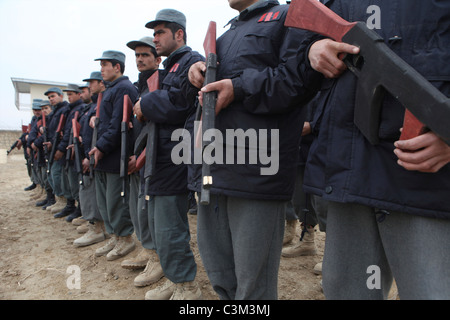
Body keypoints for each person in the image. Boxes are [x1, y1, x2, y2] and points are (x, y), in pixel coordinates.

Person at [303, 0, 450, 299]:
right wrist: (312, 51)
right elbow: (295, 59)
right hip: (349, 174)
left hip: (425, 183)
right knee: (346, 291)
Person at [185, 0, 322, 299]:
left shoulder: (289, 17)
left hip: (257, 174)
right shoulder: (227, 32)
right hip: (214, 169)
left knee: (253, 286)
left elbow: (297, 81)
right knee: (221, 276)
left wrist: (238, 87)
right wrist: (199, 72)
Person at [133, 9, 204, 300]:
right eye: (154, 32)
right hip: (160, 156)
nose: (155, 38)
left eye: (161, 32)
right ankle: (175, 279)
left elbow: (178, 104)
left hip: (175, 157)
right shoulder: (171, 67)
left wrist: (146, 103)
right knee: (161, 226)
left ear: (179, 34)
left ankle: (188, 286)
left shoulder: (191, 61)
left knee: (171, 227)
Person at [120, 36, 162, 286]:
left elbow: (156, 126)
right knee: (139, 210)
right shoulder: (140, 86)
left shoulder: (159, 83)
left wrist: (141, 154)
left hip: (151, 159)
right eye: (137, 56)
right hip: (137, 158)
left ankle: (157, 256)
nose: (140, 59)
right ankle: (148, 250)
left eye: (145, 54)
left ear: (157, 58)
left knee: (152, 212)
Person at [89, 50, 138, 261]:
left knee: (116, 202)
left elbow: (118, 124)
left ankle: (125, 238)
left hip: (114, 155)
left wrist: (100, 146)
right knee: (104, 202)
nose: (102, 70)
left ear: (117, 67)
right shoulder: (110, 90)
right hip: (103, 156)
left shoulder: (124, 88)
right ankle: (114, 235)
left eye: (105, 65)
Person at [73, 73, 108, 247]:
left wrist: (89, 156)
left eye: (91, 83)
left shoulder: (102, 103)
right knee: (87, 190)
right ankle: (93, 224)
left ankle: (97, 228)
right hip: (88, 152)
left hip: (95, 155)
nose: (89, 87)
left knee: (91, 191)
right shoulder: (93, 106)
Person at [53, 84, 85, 222]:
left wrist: (60, 148)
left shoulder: (79, 108)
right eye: (68, 94)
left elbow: (70, 133)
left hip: (73, 148)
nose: (69, 97)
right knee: (68, 180)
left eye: (72, 94)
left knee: (75, 181)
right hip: (68, 148)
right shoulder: (70, 110)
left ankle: (79, 209)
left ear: (79, 94)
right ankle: (71, 205)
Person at [44, 87, 70, 214]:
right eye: (49, 97)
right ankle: (59, 199)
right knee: (53, 175)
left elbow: (64, 132)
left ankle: (63, 200)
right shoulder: (55, 112)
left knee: (58, 175)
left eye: (53, 96)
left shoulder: (64, 110)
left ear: (61, 96)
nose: (51, 99)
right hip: (53, 148)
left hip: (61, 149)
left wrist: (59, 147)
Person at [32, 100, 55, 209]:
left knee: (51, 176)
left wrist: (36, 142)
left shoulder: (53, 119)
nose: (43, 111)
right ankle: (49, 197)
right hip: (42, 151)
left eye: (46, 108)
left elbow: (50, 134)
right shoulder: (41, 120)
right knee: (45, 176)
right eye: (42, 109)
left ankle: (52, 199)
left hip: (51, 151)